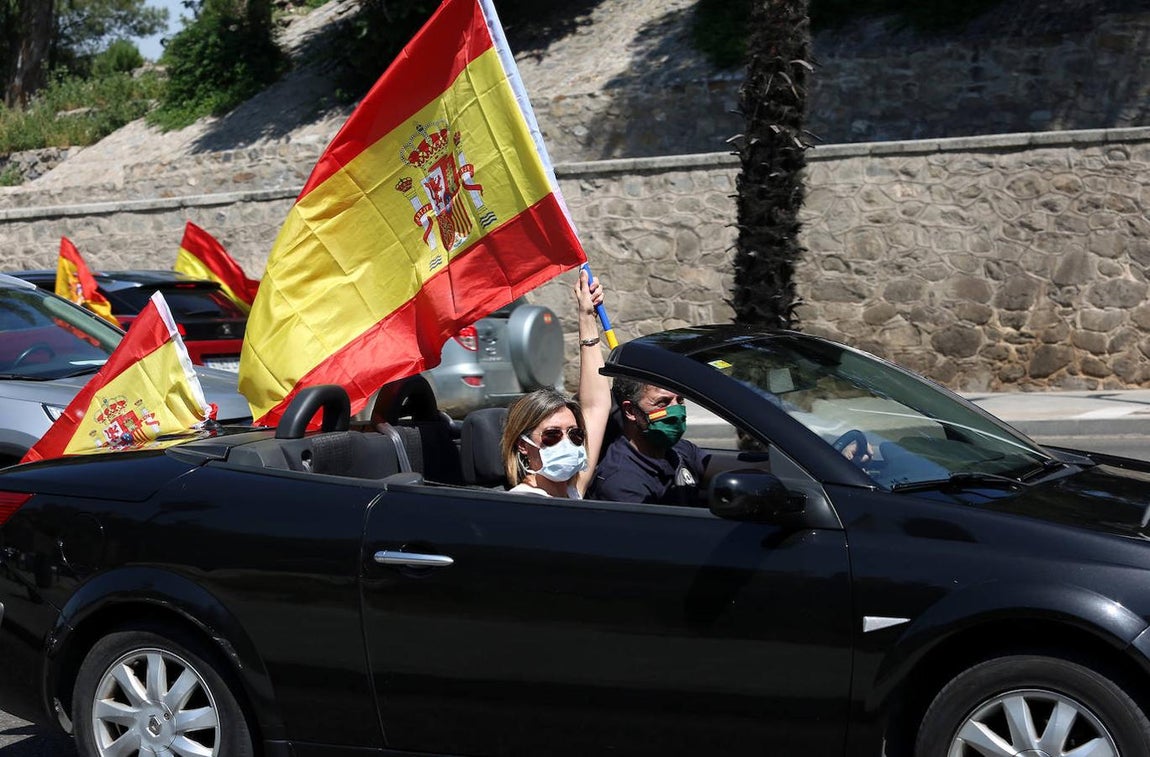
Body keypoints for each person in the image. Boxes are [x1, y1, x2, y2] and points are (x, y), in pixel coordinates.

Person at [499, 269, 610, 498]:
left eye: (575, 435)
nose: (567, 444)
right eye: (552, 435)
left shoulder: (572, 491)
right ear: (523, 445)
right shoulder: (521, 502)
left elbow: (596, 405)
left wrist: (587, 316)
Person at [587, 378, 709, 505]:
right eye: (663, 403)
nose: (676, 410)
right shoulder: (622, 481)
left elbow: (710, 465)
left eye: (680, 400)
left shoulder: (678, 449)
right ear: (630, 411)